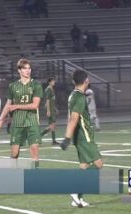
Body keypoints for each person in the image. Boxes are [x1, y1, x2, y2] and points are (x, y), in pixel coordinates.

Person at [59, 69, 103, 208]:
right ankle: (75, 189)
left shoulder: (73, 95)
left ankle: (78, 198)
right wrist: (67, 137)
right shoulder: (79, 97)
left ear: (73, 81)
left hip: (80, 136)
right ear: (87, 81)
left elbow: (70, 117)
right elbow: (73, 118)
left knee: (84, 166)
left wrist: (69, 136)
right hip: (84, 136)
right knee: (98, 164)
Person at [0, 59, 43, 166]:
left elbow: (35, 105)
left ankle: (35, 177)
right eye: (25, 68)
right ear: (19, 70)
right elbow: (8, 105)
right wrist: (0, 120)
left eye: (29, 68)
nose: (28, 70)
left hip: (32, 121)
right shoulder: (13, 86)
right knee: (14, 154)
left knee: (34, 152)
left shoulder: (36, 85)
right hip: (17, 122)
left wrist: (17, 106)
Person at [40, 77, 59, 145]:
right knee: (52, 125)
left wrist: (55, 109)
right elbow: (47, 101)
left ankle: (54, 141)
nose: (54, 82)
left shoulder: (51, 89)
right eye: (53, 81)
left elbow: (52, 101)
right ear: (49, 82)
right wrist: (48, 111)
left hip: (52, 109)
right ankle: (39, 136)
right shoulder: (48, 89)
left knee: (53, 125)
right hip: (50, 109)